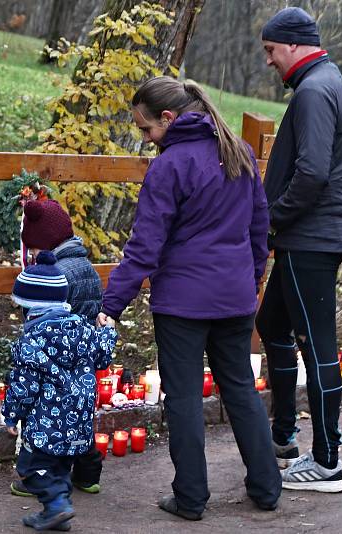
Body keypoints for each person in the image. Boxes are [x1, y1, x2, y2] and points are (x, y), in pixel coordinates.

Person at [96, 76, 282, 520]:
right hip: (235, 296)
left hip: (183, 302)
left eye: (146, 130)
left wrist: (110, 306)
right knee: (240, 388)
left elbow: (145, 246)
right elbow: (260, 227)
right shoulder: (237, 152)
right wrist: (251, 278)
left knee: (182, 398)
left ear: (168, 118)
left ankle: (191, 498)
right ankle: (267, 487)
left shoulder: (170, 166)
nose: (145, 140)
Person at [255, 6, 342, 493]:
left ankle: (327, 462)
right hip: (309, 235)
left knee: (317, 346)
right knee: (271, 323)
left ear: (293, 45)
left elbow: (314, 172)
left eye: (272, 51)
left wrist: (274, 217)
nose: (270, 61)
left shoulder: (315, 91)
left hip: (310, 237)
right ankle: (282, 437)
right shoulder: (325, 82)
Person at [4, 250, 117, 531]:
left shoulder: (31, 342)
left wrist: (10, 414)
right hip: (78, 420)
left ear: (29, 307)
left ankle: (57, 505)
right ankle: (56, 514)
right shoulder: (83, 328)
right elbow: (102, 356)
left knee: (31, 470)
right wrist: (108, 331)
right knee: (59, 467)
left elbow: (24, 386)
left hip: (46, 422)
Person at [8, 199, 107, 497]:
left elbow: (42, 317)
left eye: (34, 249)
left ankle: (38, 477)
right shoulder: (85, 264)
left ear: (45, 243)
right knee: (78, 418)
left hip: (55, 359)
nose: (33, 255)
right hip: (82, 357)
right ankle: (88, 475)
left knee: (47, 422)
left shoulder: (56, 273)